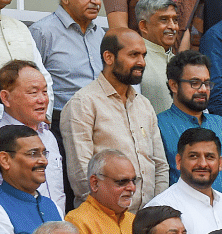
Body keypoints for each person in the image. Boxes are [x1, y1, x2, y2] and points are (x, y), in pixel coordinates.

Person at [61, 28, 168, 210]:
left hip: (147, 222)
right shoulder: (83, 103)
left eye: (143, 55)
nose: (141, 62)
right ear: (109, 57)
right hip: (104, 223)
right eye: (133, 55)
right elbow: (82, 175)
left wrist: (154, 212)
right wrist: (114, 220)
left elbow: (160, 166)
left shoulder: (144, 105)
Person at [157, 51, 222, 208]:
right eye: (194, 83)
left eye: (207, 83)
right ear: (174, 85)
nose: (203, 89)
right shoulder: (159, 125)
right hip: (183, 222)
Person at [0, 61, 66, 213]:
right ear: (6, 98)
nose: (42, 100)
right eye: (33, 92)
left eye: (44, 91)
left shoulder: (48, 136)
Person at [29, 0, 105, 144]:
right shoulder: (42, 33)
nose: (97, 1)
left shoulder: (101, 35)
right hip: (60, 128)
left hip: (100, 127)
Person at [0, 125, 62, 234]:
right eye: (33, 153)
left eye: (44, 153)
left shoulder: (51, 206)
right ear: (5, 160)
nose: (44, 161)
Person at [64, 149, 136, 234]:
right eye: (122, 182)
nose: (132, 188)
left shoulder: (134, 220)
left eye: (134, 181)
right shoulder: (78, 222)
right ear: (95, 183)